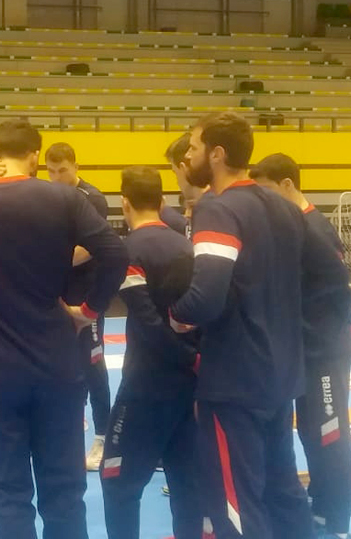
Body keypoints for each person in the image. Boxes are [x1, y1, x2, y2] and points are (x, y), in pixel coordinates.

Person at [0, 120, 129, 539]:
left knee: (6, 496)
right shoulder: (64, 198)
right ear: (35, 155)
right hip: (56, 366)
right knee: (64, 493)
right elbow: (115, 253)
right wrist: (89, 310)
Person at [168, 112, 344, 539]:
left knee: (236, 501)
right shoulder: (283, 208)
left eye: (192, 147)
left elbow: (206, 296)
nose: (187, 155)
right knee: (283, 490)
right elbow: (332, 272)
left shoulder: (218, 207)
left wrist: (176, 315)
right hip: (282, 376)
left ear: (216, 154)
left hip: (235, 382)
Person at [250, 153, 351, 539]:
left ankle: (337, 522)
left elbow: (339, 286)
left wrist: (348, 330)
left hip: (323, 352)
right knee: (311, 434)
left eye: (268, 191)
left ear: (288, 185)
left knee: (329, 434)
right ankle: (320, 502)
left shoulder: (314, 228)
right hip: (303, 349)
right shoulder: (291, 226)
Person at [99, 167, 203, 539]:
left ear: (124, 204)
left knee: (116, 480)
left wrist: (187, 358)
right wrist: (196, 362)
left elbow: (148, 324)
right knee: (187, 486)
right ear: (161, 203)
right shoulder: (187, 247)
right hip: (190, 389)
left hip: (146, 389)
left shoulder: (129, 252)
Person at [43, 142, 111, 470]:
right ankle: (68, 427)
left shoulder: (91, 198)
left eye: (63, 171)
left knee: (92, 363)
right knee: (60, 361)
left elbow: (88, 248)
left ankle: (103, 438)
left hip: (87, 293)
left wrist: (50, 263)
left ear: (75, 166)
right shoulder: (47, 196)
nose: (57, 177)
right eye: (51, 171)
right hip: (58, 291)